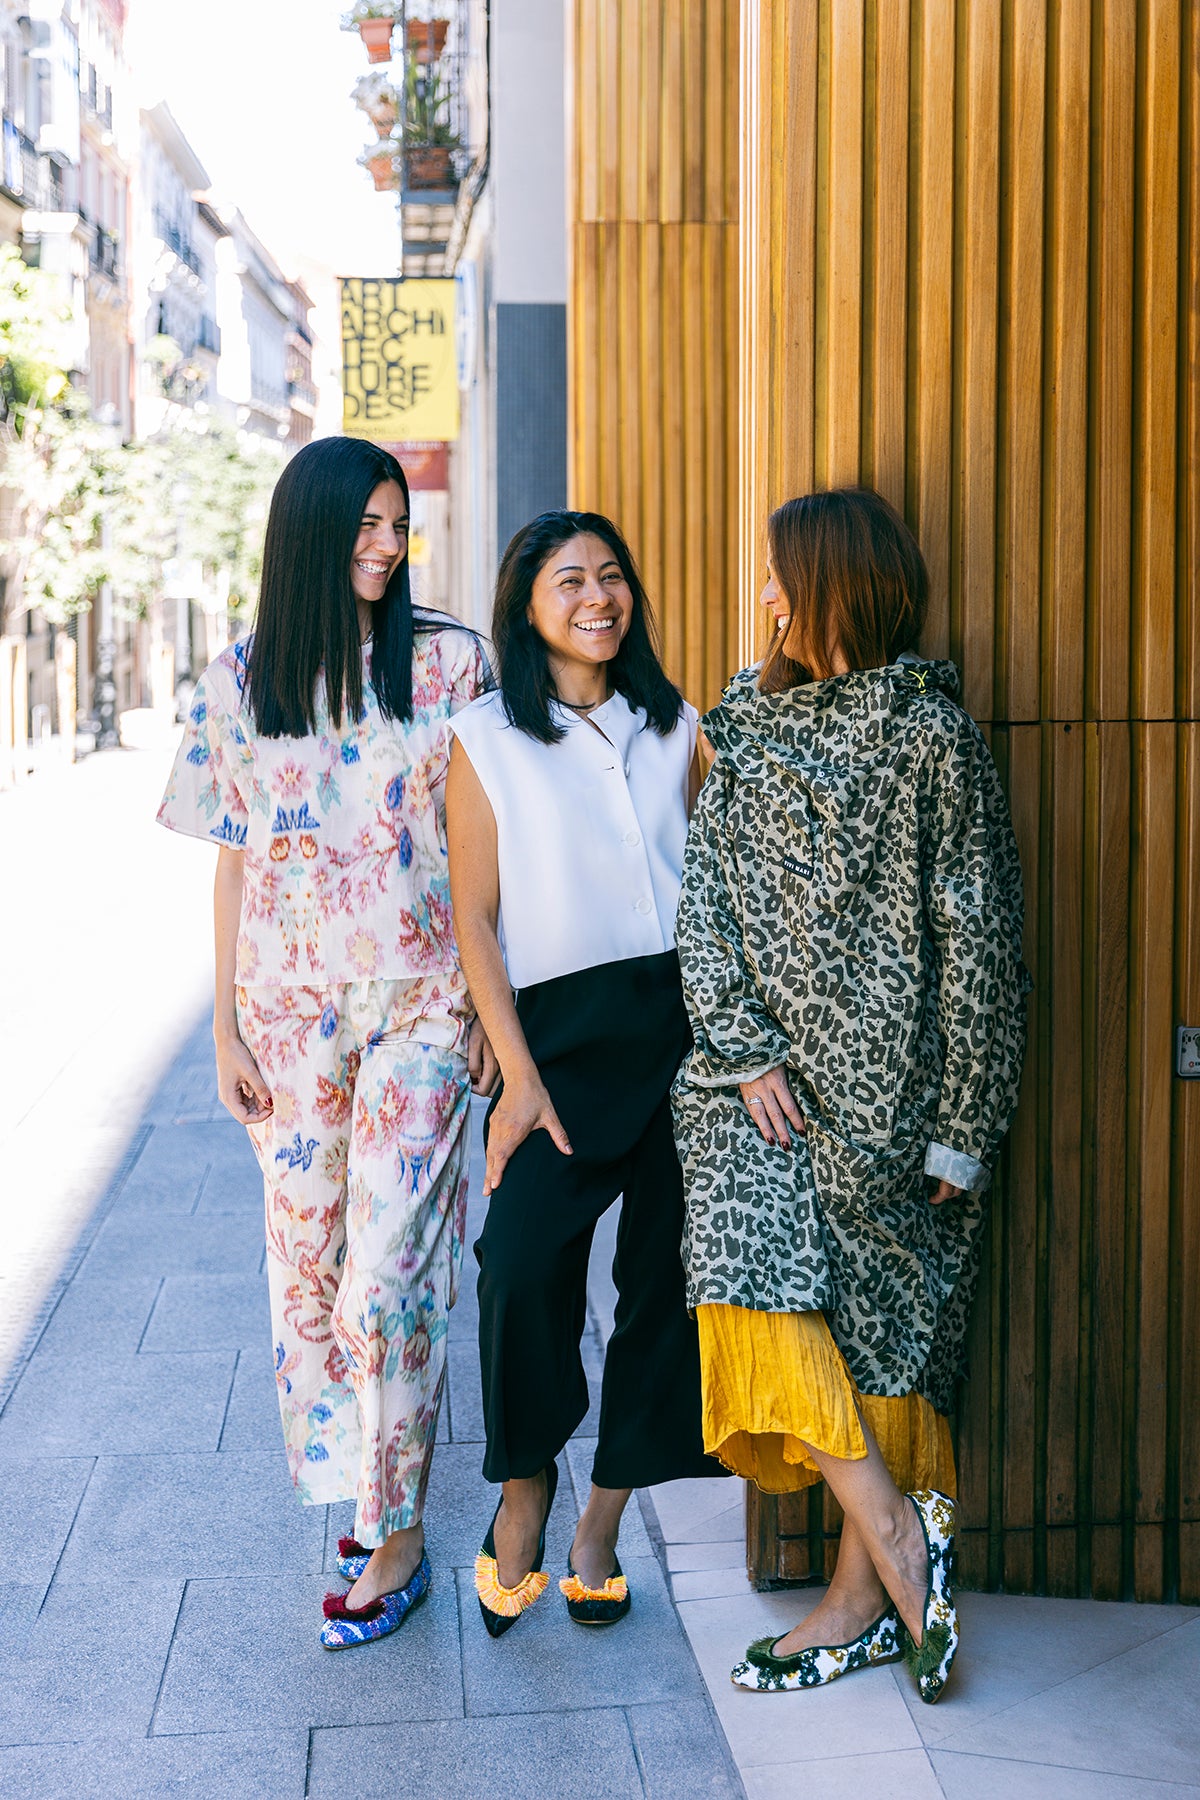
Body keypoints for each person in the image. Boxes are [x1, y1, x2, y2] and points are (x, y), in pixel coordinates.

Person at [672, 488, 1028, 1702]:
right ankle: (894, 1528)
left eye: (779, 575)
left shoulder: (936, 739)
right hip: (751, 1092)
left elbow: (979, 935)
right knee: (743, 1281)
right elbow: (702, 907)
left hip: (895, 1108)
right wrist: (742, 1047)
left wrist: (966, 1123)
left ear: (829, 584)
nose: (763, 596)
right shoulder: (743, 729)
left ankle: (858, 1604)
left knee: (884, 1345)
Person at [157, 437, 493, 1649]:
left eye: (397, 526)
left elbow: (495, 844)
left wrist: (498, 1022)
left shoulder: (453, 665)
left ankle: (399, 1533)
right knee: (303, 1274)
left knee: (391, 1271)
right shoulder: (238, 681)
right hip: (288, 1016)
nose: (386, 547)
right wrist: (223, 1024)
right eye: (361, 526)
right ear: (305, 531)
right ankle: (359, 1489)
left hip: (425, 1004)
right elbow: (235, 866)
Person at [445, 509, 724, 1638]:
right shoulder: (484, 736)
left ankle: (601, 1527)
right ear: (526, 604)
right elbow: (473, 918)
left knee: (666, 1291)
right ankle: (525, 1493)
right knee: (518, 1269)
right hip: (554, 1043)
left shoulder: (677, 724)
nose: (599, 597)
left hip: (678, 1031)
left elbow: (711, 883)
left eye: (612, 576)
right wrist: (517, 1075)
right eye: (571, 580)